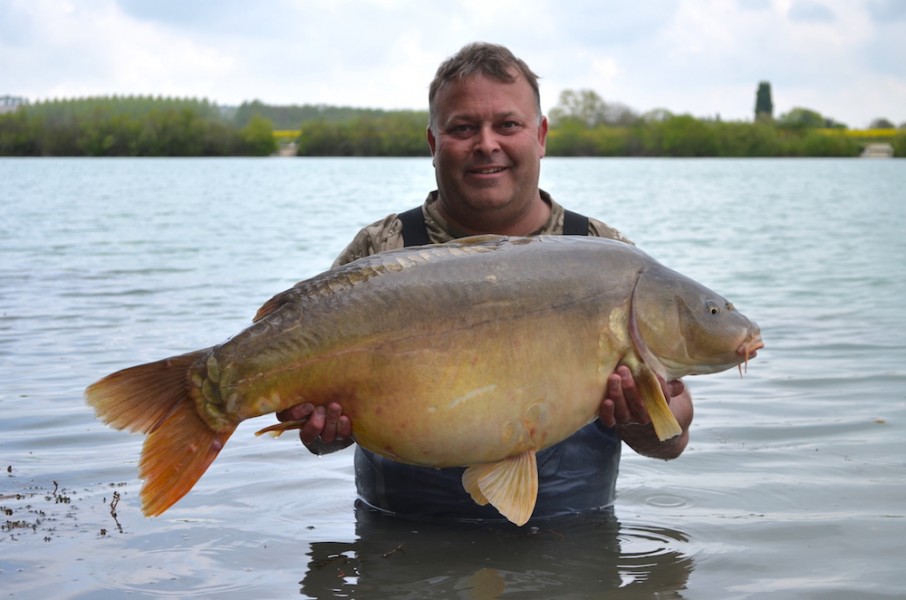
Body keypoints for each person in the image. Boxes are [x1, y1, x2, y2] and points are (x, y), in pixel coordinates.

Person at [277, 42, 695, 521]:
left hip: (574, 542)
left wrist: (645, 422)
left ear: (540, 135)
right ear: (434, 144)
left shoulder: (606, 254)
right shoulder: (382, 250)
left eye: (508, 124)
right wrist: (324, 431)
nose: (487, 144)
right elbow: (314, 436)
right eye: (463, 128)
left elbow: (674, 437)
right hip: (401, 541)